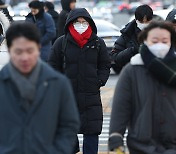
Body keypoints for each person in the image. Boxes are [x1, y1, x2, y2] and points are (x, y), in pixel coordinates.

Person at [0, 21, 80, 154]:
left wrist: (58, 150)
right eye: (18, 52)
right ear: (9, 50)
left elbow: (69, 125)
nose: (24, 57)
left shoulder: (58, 83)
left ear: (39, 48)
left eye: (30, 50)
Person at [109, 21, 176, 154]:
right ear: (145, 41)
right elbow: (121, 107)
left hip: (175, 146)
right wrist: (115, 139)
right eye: (155, 40)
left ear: (171, 42)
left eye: (164, 41)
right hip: (141, 145)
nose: (160, 44)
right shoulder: (132, 70)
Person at [49, 8, 111, 154]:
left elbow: (105, 64)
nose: (81, 25)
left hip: (91, 96)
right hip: (67, 96)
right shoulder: (61, 43)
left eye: (84, 22)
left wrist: (100, 80)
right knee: (68, 132)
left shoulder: (97, 43)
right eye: (78, 22)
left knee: (92, 132)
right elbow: (52, 65)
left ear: (90, 24)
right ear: (71, 23)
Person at [111, 4, 153, 73]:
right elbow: (115, 58)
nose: (144, 24)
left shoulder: (158, 32)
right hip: (133, 73)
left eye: (147, 22)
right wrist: (132, 50)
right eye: (141, 22)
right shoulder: (127, 34)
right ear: (136, 20)